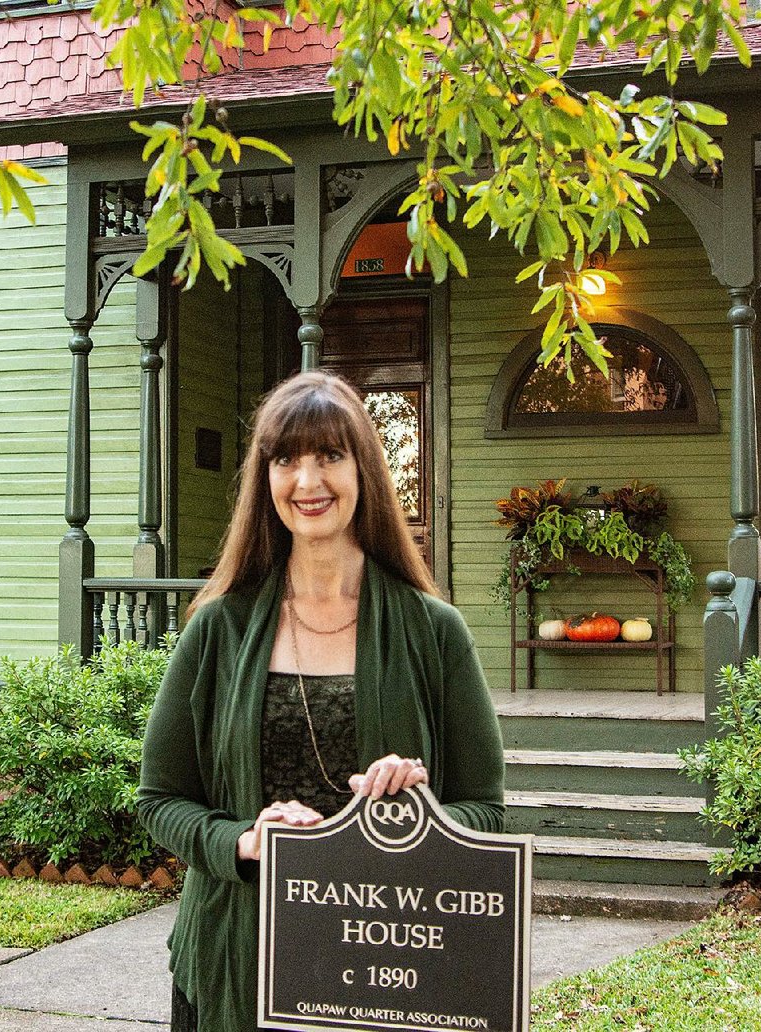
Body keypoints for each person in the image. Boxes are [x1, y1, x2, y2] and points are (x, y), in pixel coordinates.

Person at [137, 370, 505, 1032]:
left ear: (362, 469)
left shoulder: (433, 631)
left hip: (385, 973)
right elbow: (160, 800)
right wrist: (243, 840)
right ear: (265, 479)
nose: (308, 482)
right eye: (286, 459)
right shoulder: (219, 629)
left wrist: (422, 817)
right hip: (235, 967)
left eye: (329, 456)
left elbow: (487, 812)